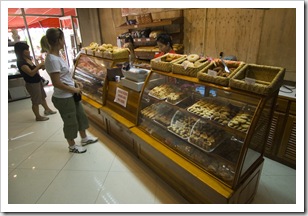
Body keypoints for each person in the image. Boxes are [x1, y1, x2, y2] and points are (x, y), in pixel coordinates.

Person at [44, 28, 98, 154]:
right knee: (70, 121)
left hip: (71, 94)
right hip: (64, 97)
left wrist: (75, 82)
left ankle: (84, 138)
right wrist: (74, 89)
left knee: (80, 116)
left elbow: (64, 76)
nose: (64, 42)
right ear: (58, 40)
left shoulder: (58, 56)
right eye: (63, 39)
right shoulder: (52, 59)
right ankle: (72, 146)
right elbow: (57, 83)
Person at [14, 42, 57, 121]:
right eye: (27, 50)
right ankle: (38, 116)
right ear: (22, 51)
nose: (29, 51)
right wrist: (39, 65)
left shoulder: (28, 59)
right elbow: (31, 73)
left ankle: (47, 109)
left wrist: (42, 66)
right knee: (35, 101)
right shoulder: (21, 62)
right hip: (32, 84)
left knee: (43, 97)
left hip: (37, 81)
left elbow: (34, 69)